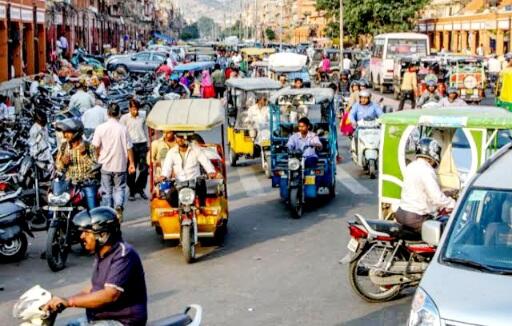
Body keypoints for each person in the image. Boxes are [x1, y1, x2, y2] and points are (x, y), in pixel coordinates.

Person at [44, 207, 148, 326]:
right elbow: (92, 288)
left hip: (123, 321)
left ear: (103, 235)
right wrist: (62, 301)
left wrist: (69, 302)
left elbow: (110, 294)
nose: (82, 236)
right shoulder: (102, 254)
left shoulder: (124, 255)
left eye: (87, 233)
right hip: (101, 318)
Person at [395, 138, 456, 232]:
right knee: (445, 230)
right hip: (415, 218)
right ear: (433, 153)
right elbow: (437, 198)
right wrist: (453, 204)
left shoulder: (411, 166)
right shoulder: (427, 170)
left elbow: (420, 191)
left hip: (401, 213)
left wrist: (446, 194)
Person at [92, 104, 135, 220]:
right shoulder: (123, 128)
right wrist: (131, 163)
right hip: (120, 164)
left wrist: (97, 157)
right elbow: (129, 147)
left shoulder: (100, 128)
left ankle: (108, 212)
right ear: (119, 114)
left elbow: (95, 146)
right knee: (120, 188)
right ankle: (118, 205)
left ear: (108, 113)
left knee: (107, 190)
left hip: (105, 165)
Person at [160, 132, 217, 207]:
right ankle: (178, 212)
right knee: (169, 196)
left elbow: (205, 162)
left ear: (188, 138)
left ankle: (201, 210)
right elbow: (167, 168)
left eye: (184, 137)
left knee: (202, 197)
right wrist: (163, 176)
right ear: (176, 138)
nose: (181, 139)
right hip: (179, 184)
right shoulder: (171, 152)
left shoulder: (196, 149)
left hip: (195, 183)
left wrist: (211, 172)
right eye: (179, 137)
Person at [120, 99, 148, 201]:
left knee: (144, 169)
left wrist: (148, 143)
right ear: (129, 108)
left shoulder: (143, 115)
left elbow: (146, 128)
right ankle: (132, 191)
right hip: (130, 146)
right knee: (132, 170)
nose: (135, 111)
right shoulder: (124, 118)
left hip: (142, 144)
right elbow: (122, 133)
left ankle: (139, 188)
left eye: (136, 109)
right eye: (133, 109)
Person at [55, 119, 98, 185]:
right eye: (64, 133)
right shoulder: (63, 147)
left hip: (87, 184)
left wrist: (84, 155)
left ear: (76, 132)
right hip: (70, 185)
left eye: (67, 132)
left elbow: (96, 168)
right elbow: (58, 168)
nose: (64, 135)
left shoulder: (89, 146)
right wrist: (62, 163)